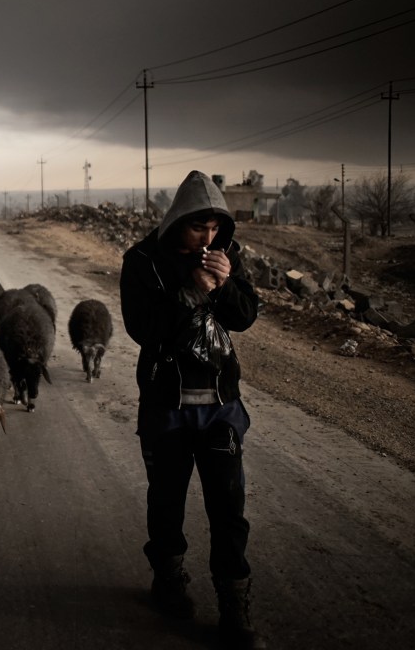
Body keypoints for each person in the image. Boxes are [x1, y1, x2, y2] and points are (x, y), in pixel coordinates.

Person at [119, 170, 265, 649]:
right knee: (167, 501)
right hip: (167, 404)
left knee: (229, 509)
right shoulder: (142, 261)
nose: (208, 238)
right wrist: (191, 292)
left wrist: (223, 287)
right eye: (198, 228)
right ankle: (168, 577)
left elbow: (244, 317)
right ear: (177, 221)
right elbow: (143, 329)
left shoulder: (227, 256)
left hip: (220, 404)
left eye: (216, 228)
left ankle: (233, 606)